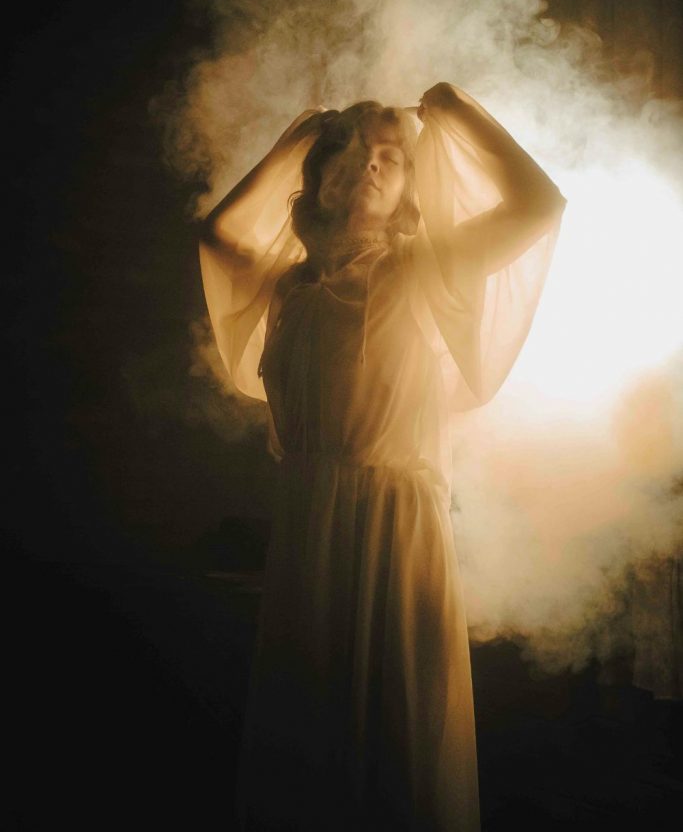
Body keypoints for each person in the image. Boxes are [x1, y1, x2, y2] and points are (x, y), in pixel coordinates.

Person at [198, 82, 567, 831]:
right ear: (319, 174)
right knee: (310, 727)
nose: (369, 164)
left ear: (410, 186)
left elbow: (539, 205)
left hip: (396, 526)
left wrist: (453, 109)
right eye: (351, 152)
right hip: (309, 526)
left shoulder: (423, 267)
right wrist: (300, 137)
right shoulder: (287, 286)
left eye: (390, 157)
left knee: (397, 728)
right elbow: (215, 233)